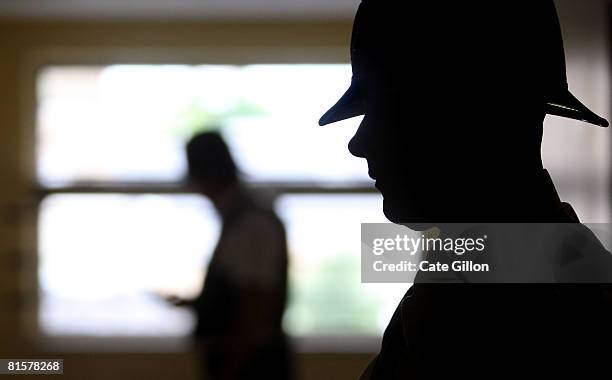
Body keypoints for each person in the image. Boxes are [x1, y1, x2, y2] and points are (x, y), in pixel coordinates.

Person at [320, 1, 612, 378]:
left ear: (469, 120)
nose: (357, 143)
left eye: (389, 112)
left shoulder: (536, 317)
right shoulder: (477, 281)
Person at [166, 131, 292, 380]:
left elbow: (255, 302)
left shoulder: (249, 223)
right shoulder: (248, 215)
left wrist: (231, 365)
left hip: (252, 366)